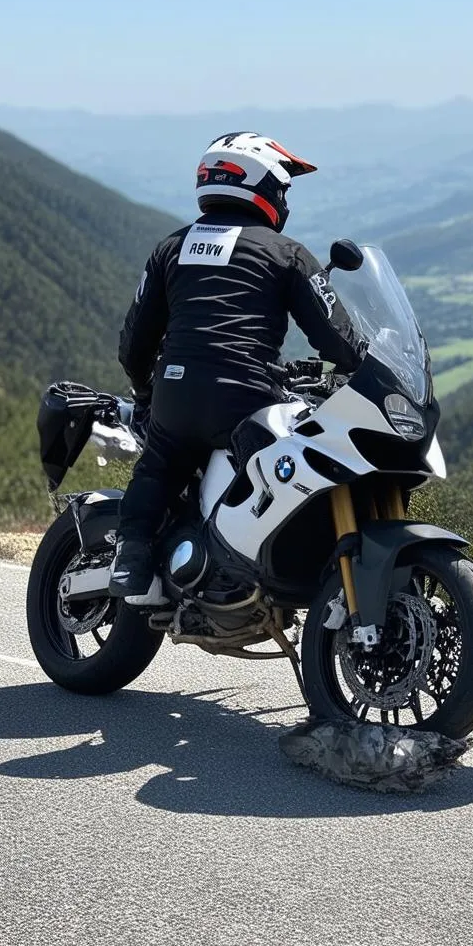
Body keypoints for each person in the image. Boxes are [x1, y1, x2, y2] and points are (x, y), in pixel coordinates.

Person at [108, 131, 364, 603]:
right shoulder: (285, 252)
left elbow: (134, 344)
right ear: (258, 184)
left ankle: (132, 555)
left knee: (160, 463)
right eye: (281, 187)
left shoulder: (171, 248)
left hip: (175, 395)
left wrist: (146, 395)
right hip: (245, 397)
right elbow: (335, 337)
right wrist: (363, 367)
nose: (284, 200)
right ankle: (262, 573)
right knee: (291, 472)